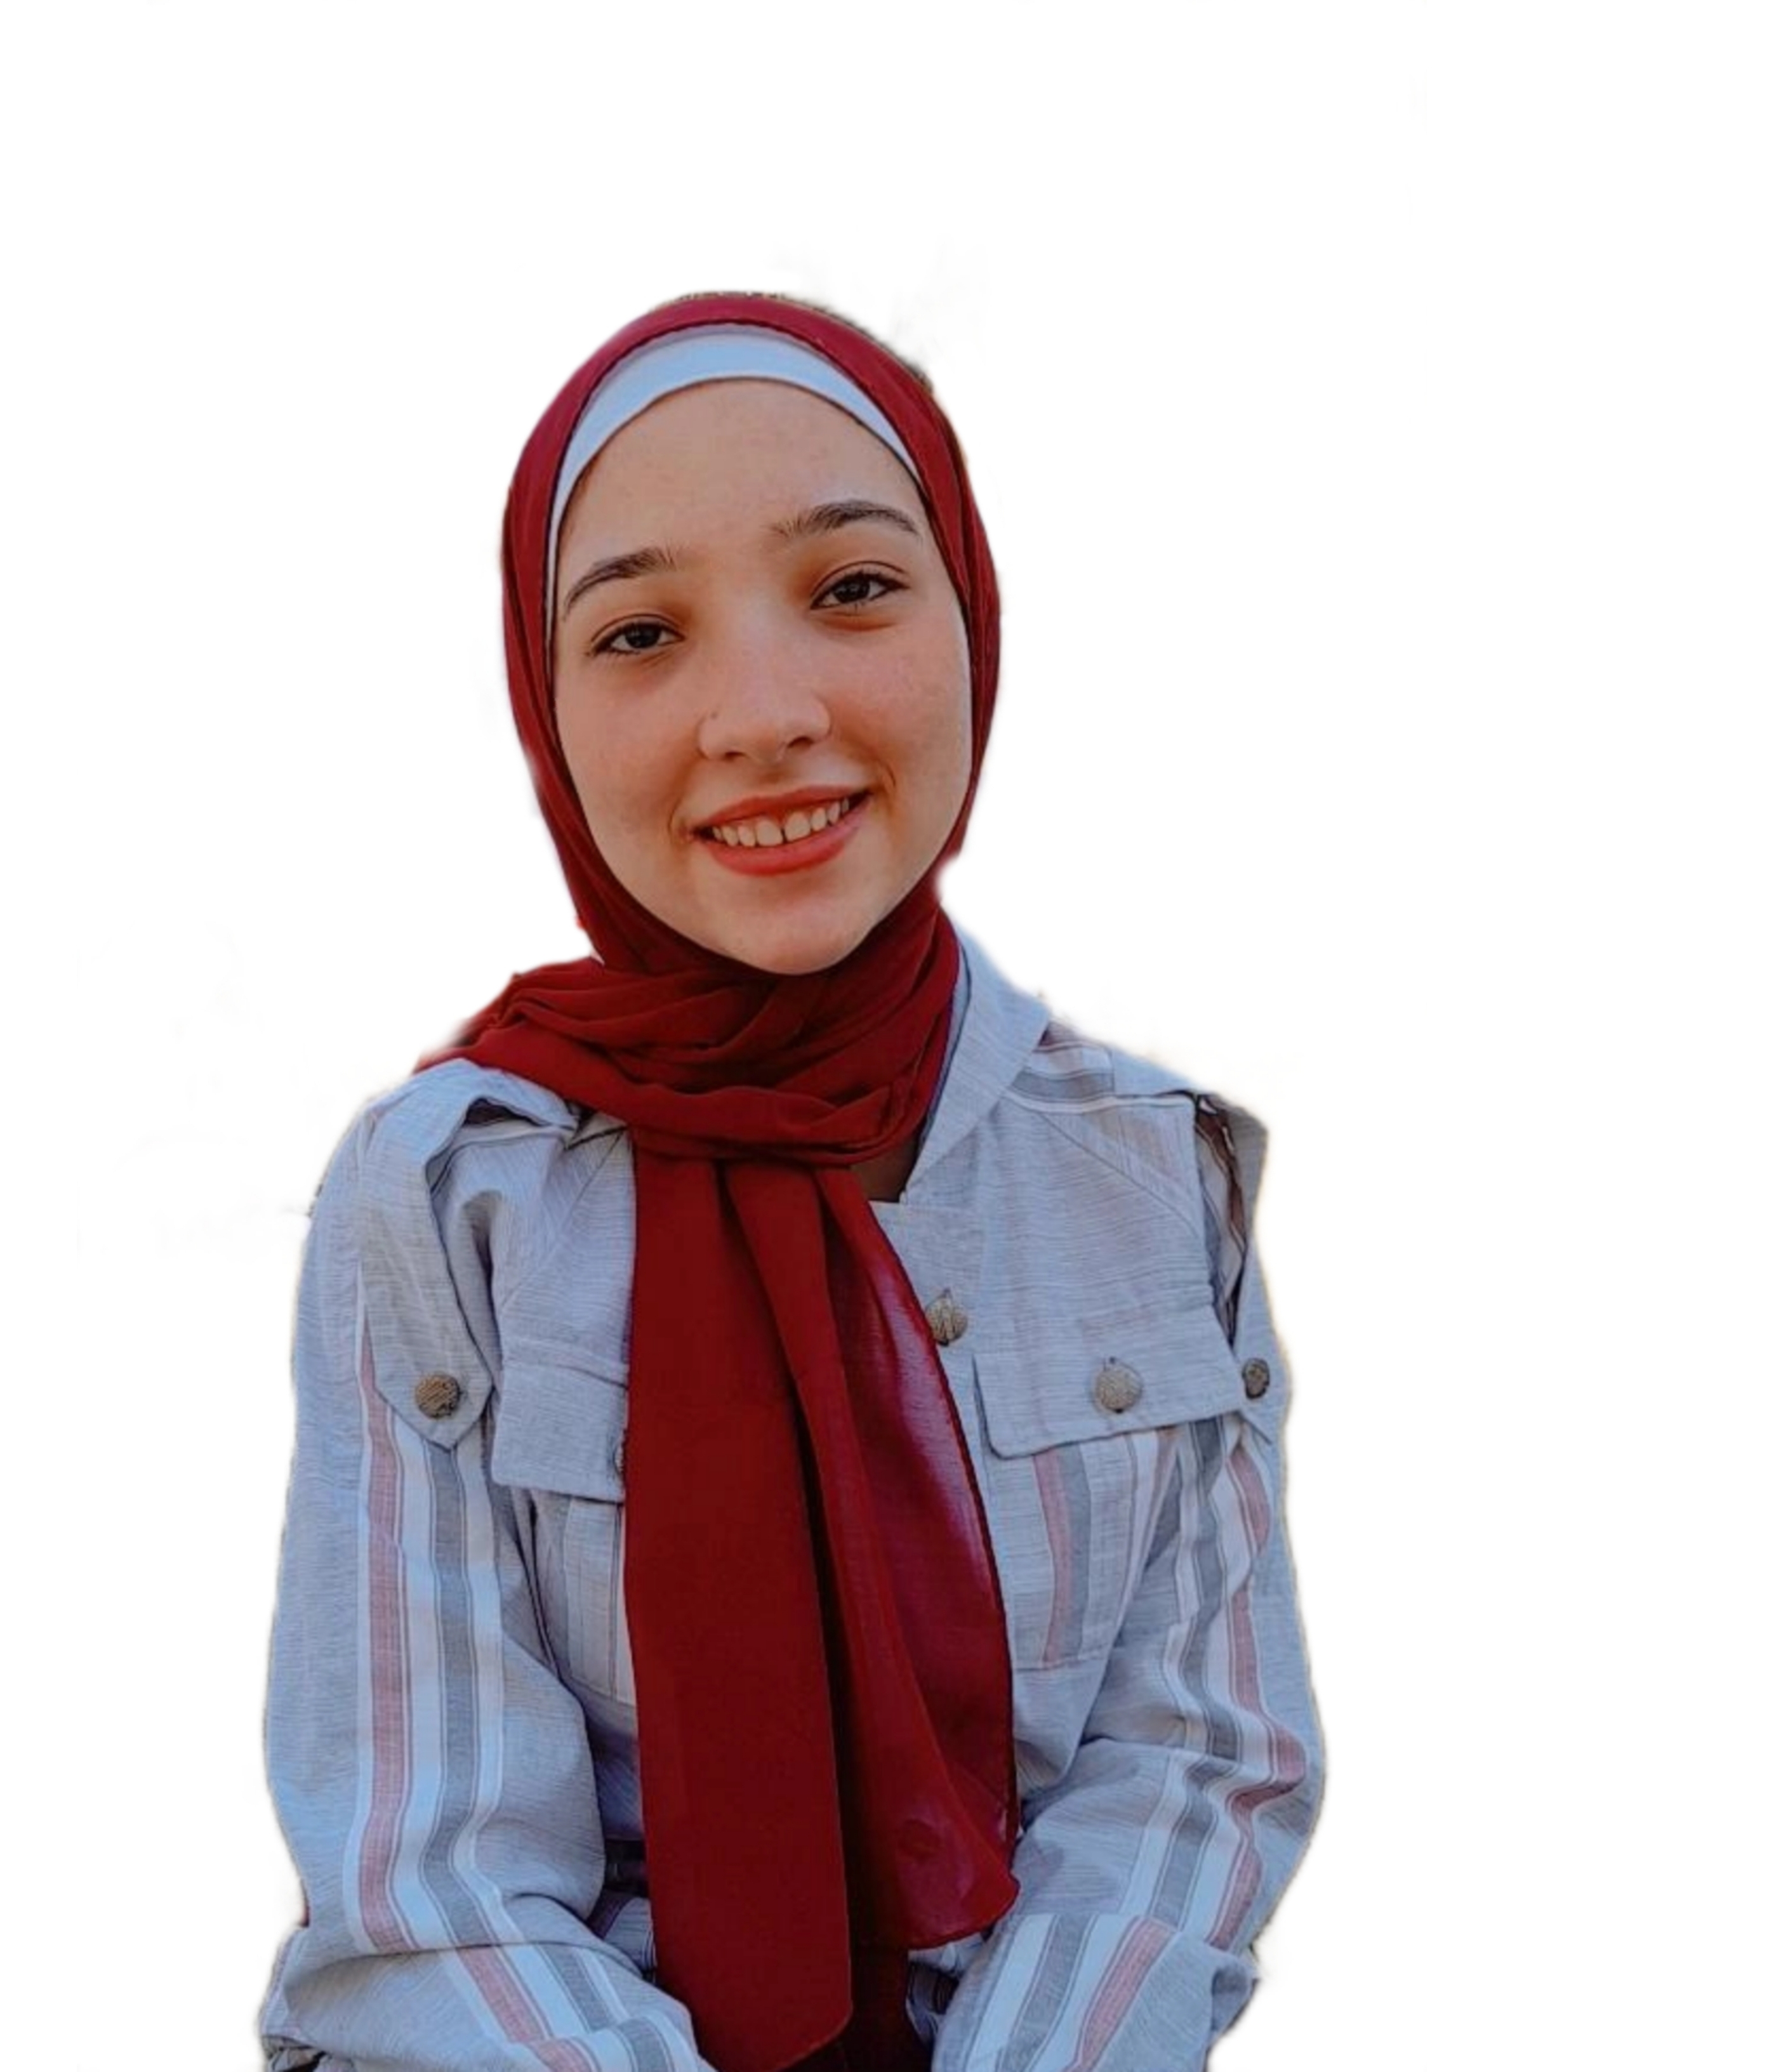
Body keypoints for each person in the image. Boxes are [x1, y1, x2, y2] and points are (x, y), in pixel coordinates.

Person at [259, 292, 1323, 2072]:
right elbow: (431, 1878)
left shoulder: (1149, 1168)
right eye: (640, 631)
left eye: (852, 588)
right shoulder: (451, 1201)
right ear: (545, 709)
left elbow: (1189, 1771)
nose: (760, 714)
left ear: (973, 619)